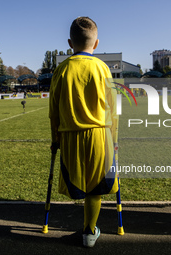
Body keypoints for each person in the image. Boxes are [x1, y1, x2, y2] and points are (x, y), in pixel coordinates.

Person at [49, 16, 118, 248]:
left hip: (70, 135)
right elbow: (113, 110)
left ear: (70, 42)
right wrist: (115, 141)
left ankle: (88, 230)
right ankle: (89, 232)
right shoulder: (103, 68)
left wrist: (54, 139)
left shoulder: (61, 69)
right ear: (96, 44)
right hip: (100, 134)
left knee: (79, 183)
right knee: (96, 186)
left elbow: (53, 112)